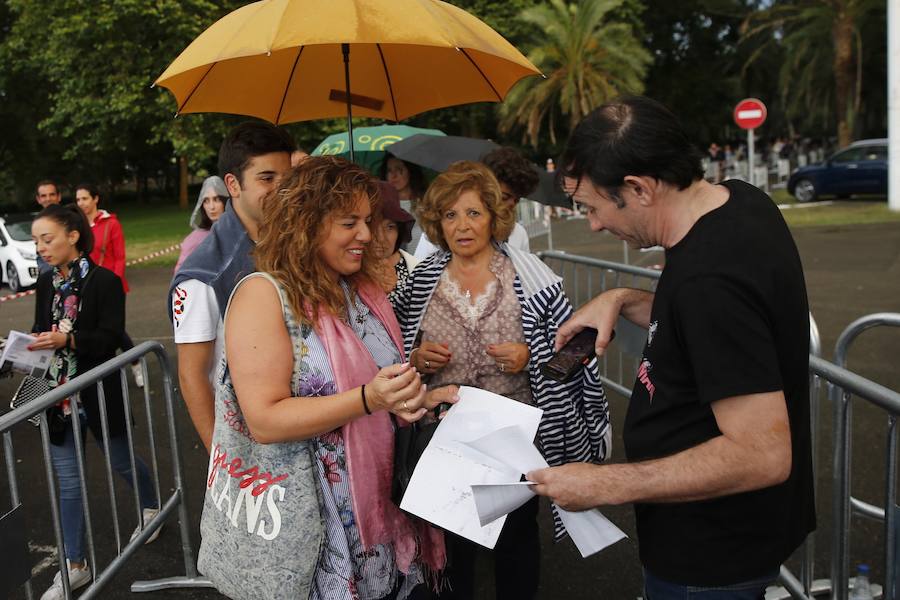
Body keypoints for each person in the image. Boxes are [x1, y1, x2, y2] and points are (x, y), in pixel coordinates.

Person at [528, 96, 815, 599]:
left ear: (638, 188)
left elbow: (764, 454)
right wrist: (623, 298)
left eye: (594, 207)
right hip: (731, 537)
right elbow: (723, 322)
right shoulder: (739, 202)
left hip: (710, 553)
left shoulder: (710, 282)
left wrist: (605, 484)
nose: (593, 224)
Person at [199, 156, 449, 599]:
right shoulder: (264, 295)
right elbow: (264, 419)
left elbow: (380, 385)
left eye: (369, 221)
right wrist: (369, 399)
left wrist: (418, 399)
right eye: (348, 221)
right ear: (306, 224)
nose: (368, 235)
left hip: (378, 516)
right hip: (311, 527)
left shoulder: (359, 289)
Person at [393, 161, 610, 600]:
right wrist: (415, 357)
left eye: (474, 212)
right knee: (452, 546)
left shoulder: (533, 278)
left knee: (515, 539)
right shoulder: (419, 282)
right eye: (450, 215)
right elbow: (389, 351)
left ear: (494, 215)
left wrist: (533, 357)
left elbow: (576, 350)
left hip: (514, 433)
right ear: (436, 222)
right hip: (444, 434)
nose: (462, 225)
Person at [28, 204, 159, 600]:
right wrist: (21, 349)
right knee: (69, 483)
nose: (41, 248)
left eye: (47, 239)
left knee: (120, 460)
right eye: (36, 242)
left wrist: (68, 340)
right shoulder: (46, 283)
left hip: (98, 394)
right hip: (58, 397)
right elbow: (40, 330)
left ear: (73, 234)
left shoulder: (105, 281)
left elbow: (111, 338)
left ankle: (151, 507)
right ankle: (75, 565)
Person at [169, 121, 294, 452]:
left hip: (301, 424)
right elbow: (192, 376)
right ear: (233, 185)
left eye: (288, 177)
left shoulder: (291, 244)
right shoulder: (203, 275)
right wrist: (223, 462)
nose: (282, 188)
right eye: (267, 178)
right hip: (249, 444)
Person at [75, 183, 143, 387]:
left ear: (96, 199)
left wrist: (111, 284)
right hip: (87, 287)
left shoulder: (111, 223)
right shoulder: (77, 226)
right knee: (94, 331)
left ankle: (136, 364)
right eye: (78, 200)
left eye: (85, 198)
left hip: (111, 285)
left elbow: (120, 257)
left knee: (117, 331)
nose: (81, 203)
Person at [413, 147, 536, 259]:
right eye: (504, 197)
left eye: (517, 200)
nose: (511, 204)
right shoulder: (441, 229)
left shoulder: (519, 234)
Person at [372, 181, 418, 305]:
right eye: (372, 226)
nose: (380, 238)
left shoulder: (418, 272)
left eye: (390, 227)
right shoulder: (345, 275)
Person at [174, 176, 228, 272]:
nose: (211, 207)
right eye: (206, 201)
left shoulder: (239, 231)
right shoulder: (195, 239)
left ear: (225, 201)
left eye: (216, 200)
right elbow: (180, 272)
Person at [380, 156, 427, 253]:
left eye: (399, 169)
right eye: (389, 171)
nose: (394, 175)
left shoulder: (426, 203)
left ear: (410, 171)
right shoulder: (382, 206)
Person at [35, 180, 62, 274]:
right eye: (43, 196)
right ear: (38, 199)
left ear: (59, 196)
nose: (48, 199)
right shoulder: (37, 224)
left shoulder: (72, 219)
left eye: (52, 194)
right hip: (48, 273)